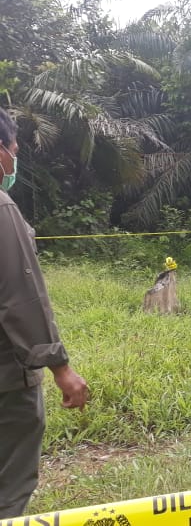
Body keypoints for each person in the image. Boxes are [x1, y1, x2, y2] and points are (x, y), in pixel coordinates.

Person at [0, 108, 89, 518]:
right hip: (5, 380)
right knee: (9, 486)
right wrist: (59, 366)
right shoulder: (2, 208)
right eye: (15, 147)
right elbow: (20, 294)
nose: (15, 158)